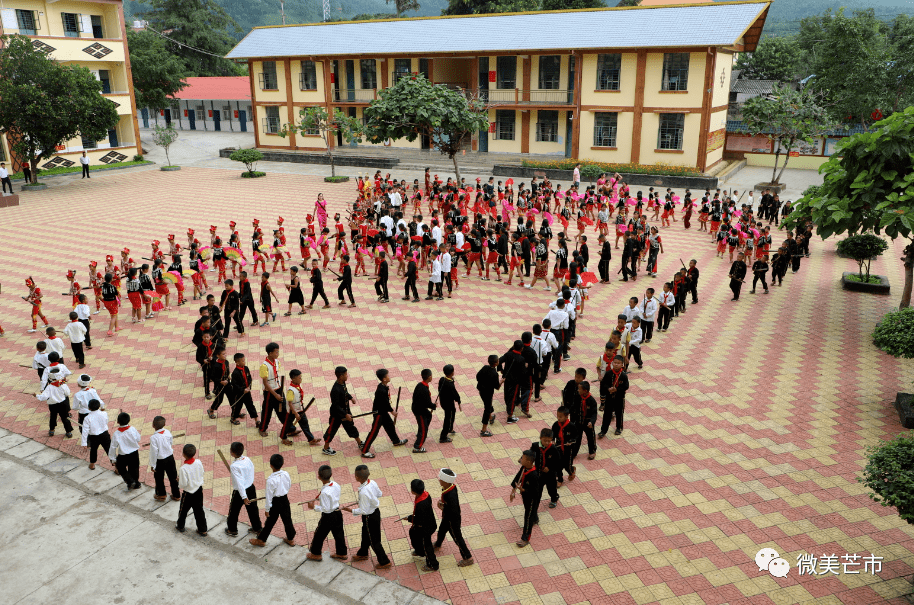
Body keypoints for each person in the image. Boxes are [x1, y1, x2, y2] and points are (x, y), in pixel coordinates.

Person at [343, 465, 391, 569]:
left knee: (374, 540)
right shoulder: (372, 482)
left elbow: (363, 511)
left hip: (369, 517)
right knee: (365, 533)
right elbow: (379, 494)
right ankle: (363, 553)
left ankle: (384, 561)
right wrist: (367, 500)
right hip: (375, 513)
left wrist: (350, 510)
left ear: (357, 477)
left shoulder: (364, 492)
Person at [361, 369, 408, 456]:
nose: (389, 377)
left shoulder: (383, 386)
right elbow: (385, 403)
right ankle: (364, 450)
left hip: (383, 412)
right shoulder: (381, 390)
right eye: (387, 376)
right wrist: (392, 411)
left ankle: (396, 441)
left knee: (390, 426)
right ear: (384, 379)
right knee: (374, 432)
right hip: (379, 414)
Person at [306, 465, 348, 560]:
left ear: (319, 477)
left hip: (328, 516)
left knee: (319, 534)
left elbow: (325, 508)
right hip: (337, 512)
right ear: (331, 475)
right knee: (339, 533)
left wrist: (313, 507)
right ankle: (342, 553)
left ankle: (316, 554)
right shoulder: (335, 484)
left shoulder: (325, 493)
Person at [433, 468, 474, 566]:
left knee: (457, 538)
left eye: (441, 479)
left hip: (452, 520)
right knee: (442, 530)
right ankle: (438, 544)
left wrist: (442, 507)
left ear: (446, 482)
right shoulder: (450, 487)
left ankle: (468, 557)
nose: (439, 480)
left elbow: (453, 510)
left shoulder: (451, 495)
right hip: (447, 517)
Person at [226, 441, 263, 537]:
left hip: (240, 492)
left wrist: (244, 496)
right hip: (251, 488)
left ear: (232, 453)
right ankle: (257, 528)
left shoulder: (234, 466)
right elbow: (251, 470)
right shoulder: (247, 459)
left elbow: (239, 483)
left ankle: (232, 529)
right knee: (253, 509)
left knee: (234, 511)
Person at [323, 366, 361, 456]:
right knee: (331, 430)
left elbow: (345, 392)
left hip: (346, 412)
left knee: (351, 427)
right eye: (346, 374)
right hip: (336, 415)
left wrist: (351, 398)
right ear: (341, 376)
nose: (347, 376)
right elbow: (335, 405)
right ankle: (325, 448)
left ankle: (360, 443)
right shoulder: (335, 390)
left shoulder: (343, 383)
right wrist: (345, 414)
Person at [510, 450, 541, 548]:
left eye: (522, 458)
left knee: (528, 517)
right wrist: (513, 491)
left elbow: (535, 492)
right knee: (530, 512)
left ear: (529, 462)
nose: (520, 459)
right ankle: (535, 518)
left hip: (532, 498)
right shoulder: (524, 468)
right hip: (525, 496)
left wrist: (523, 489)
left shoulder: (534, 475)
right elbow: (517, 478)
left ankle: (525, 538)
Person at [407, 478, 439, 571]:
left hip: (426, 528)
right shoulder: (426, 495)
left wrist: (409, 518)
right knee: (413, 533)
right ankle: (420, 551)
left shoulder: (421, 504)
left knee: (427, 545)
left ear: (413, 491)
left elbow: (419, 520)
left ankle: (433, 564)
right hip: (427, 523)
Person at [149, 416, 181, 501]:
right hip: (170, 457)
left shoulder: (153, 438)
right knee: (173, 477)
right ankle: (176, 495)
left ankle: (161, 494)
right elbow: (171, 442)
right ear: (164, 424)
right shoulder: (167, 432)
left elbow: (154, 452)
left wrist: (153, 464)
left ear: (153, 425)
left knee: (159, 478)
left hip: (160, 460)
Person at [36, 367, 73, 438]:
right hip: (63, 404)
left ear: (50, 378)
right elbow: (67, 394)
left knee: (53, 417)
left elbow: (44, 397)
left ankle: (52, 430)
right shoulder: (63, 385)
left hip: (53, 405)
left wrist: (37, 395)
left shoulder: (49, 387)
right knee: (65, 418)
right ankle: (68, 432)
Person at [259, 342, 285, 437]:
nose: (278, 354)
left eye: (278, 352)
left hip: (279, 388)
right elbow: (266, 383)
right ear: (270, 353)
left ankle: (289, 428)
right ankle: (262, 428)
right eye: (276, 352)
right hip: (270, 392)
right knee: (267, 411)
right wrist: (275, 395)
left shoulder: (277, 362)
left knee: (283, 409)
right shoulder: (264, 366)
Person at [599, 356, 629, 437]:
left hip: (619, 398)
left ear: (622, 364)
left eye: (618, 363)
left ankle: (619, 428)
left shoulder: (623, 375)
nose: (616, 365)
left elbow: (626, 386)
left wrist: (617, 389)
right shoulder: (608, 373)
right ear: (612, 363)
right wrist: (608, 389)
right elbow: (603, 384)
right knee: (607, 414)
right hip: (609, 398)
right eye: (615, 363)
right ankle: (603, 430)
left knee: (619, 413)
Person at [110, 412, 141, 489]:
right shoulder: (133, 429)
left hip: (123, 455)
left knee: (120, 468)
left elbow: (113, 447)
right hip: (134, 453)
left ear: (118, 422)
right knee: (134, 469)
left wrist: (113, 459)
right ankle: (136, 483)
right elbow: (138, 438)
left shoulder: (116, 434)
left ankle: (129, 481)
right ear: (129, 420)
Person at [531, 428, 561, 509]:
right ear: (540, 438)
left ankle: (554, 499)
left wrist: (550, 468)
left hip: (550, 474)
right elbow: (531, 455)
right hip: (539, 473)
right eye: (545, 440)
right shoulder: (535, 446)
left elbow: (557, 461)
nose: (547, 443)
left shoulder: (553, 449)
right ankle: (535, 504)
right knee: (538, 489)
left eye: (549, 441)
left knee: (551, 489)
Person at [411, 369, 436, 453]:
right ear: (429, 377)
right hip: (419, 411)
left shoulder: (419, 385)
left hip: (418, 407)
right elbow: (427, 403)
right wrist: (433, 405)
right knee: (423, 428)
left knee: (429, 415)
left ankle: (420, 432)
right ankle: (417, 447)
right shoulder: (424, 389)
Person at [475, 355, 500, 437]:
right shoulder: (495, 374)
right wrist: (502, 381)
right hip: (488, 393)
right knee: (487, 408)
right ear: (496, 363)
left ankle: (490, 417)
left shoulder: (485, 367)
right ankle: (484, 430)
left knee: (487, 404)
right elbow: (497, 387)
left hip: (481, 390)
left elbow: (477, 376)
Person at [552, 406, 577, 485]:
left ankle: (571, 470)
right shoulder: (556, 425)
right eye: (557, 416)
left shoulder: (572, 426)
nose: (558, 418)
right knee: (557, 465)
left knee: (567, 466)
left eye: (560, 417)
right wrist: (552, 440)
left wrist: (570, 441)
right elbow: (552, 435)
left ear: (566, 416)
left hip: (568, 449)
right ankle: (560, 479)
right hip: (558, 448)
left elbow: (576, 437)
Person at [437, 364, 460, 443]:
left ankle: (450, 428)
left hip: (443, 402)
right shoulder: (450, 384)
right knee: (448, 418)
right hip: (448, 404)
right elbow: (454, 394)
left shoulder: (442, 379)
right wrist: (458, 400)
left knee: (453, 412)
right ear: (452, 373)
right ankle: (443, 436)